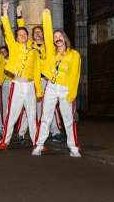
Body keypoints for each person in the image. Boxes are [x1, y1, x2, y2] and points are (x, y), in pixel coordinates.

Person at [33, 9, 82, 157]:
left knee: (68, 119)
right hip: (52, 87)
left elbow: (76, 75)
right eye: (55, 37)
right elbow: (47, 34)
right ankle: (39, 145)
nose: (57, 39)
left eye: (60, 36)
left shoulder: (74, 55)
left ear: (65, 38)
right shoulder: (51, 53)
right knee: (45, 117)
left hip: (66, 88)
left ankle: (73, 147)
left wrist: (72, 94)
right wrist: (46, 16)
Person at [0, 2, 42, 150]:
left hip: (30, 86)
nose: (22, 36)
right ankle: (5, 141)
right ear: (16, 38)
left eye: (24, 34)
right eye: (19, 35)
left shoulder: (33, 51)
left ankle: (37, 143)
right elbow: (8, 30)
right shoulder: (13, 45)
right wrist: (5, 12)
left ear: (27, 37)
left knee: (32, 115)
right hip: (16, 85)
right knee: (12, 114)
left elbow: (37, 72)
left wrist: (39, 90)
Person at [16, 6, 63, 143]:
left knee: (51, 106)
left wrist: (46, 16)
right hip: (32, 80)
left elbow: (49, 33)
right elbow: (21, 32)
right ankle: (21, 133)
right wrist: (19, 16)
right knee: (28, 106)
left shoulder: (49, 46)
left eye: (39, 32)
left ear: (42, 34)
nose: (37, 34)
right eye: (35, 32)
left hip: (46, 80)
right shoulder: (29, 45)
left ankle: (56, 132)